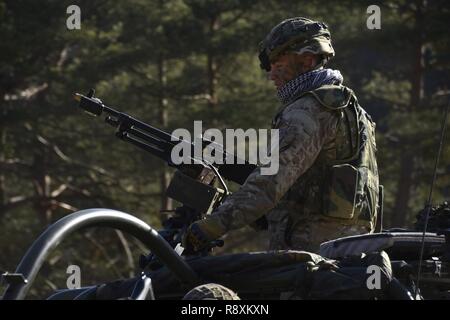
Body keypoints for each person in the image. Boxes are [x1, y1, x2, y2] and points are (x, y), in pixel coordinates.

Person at [182, 17, 380, 253]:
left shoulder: (307, 112)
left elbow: (269, 184)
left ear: (306, 60)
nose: (272, 75)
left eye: (278, 65)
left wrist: (209, 228)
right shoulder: (353, 110)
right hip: (351, 250)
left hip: (309, 255)